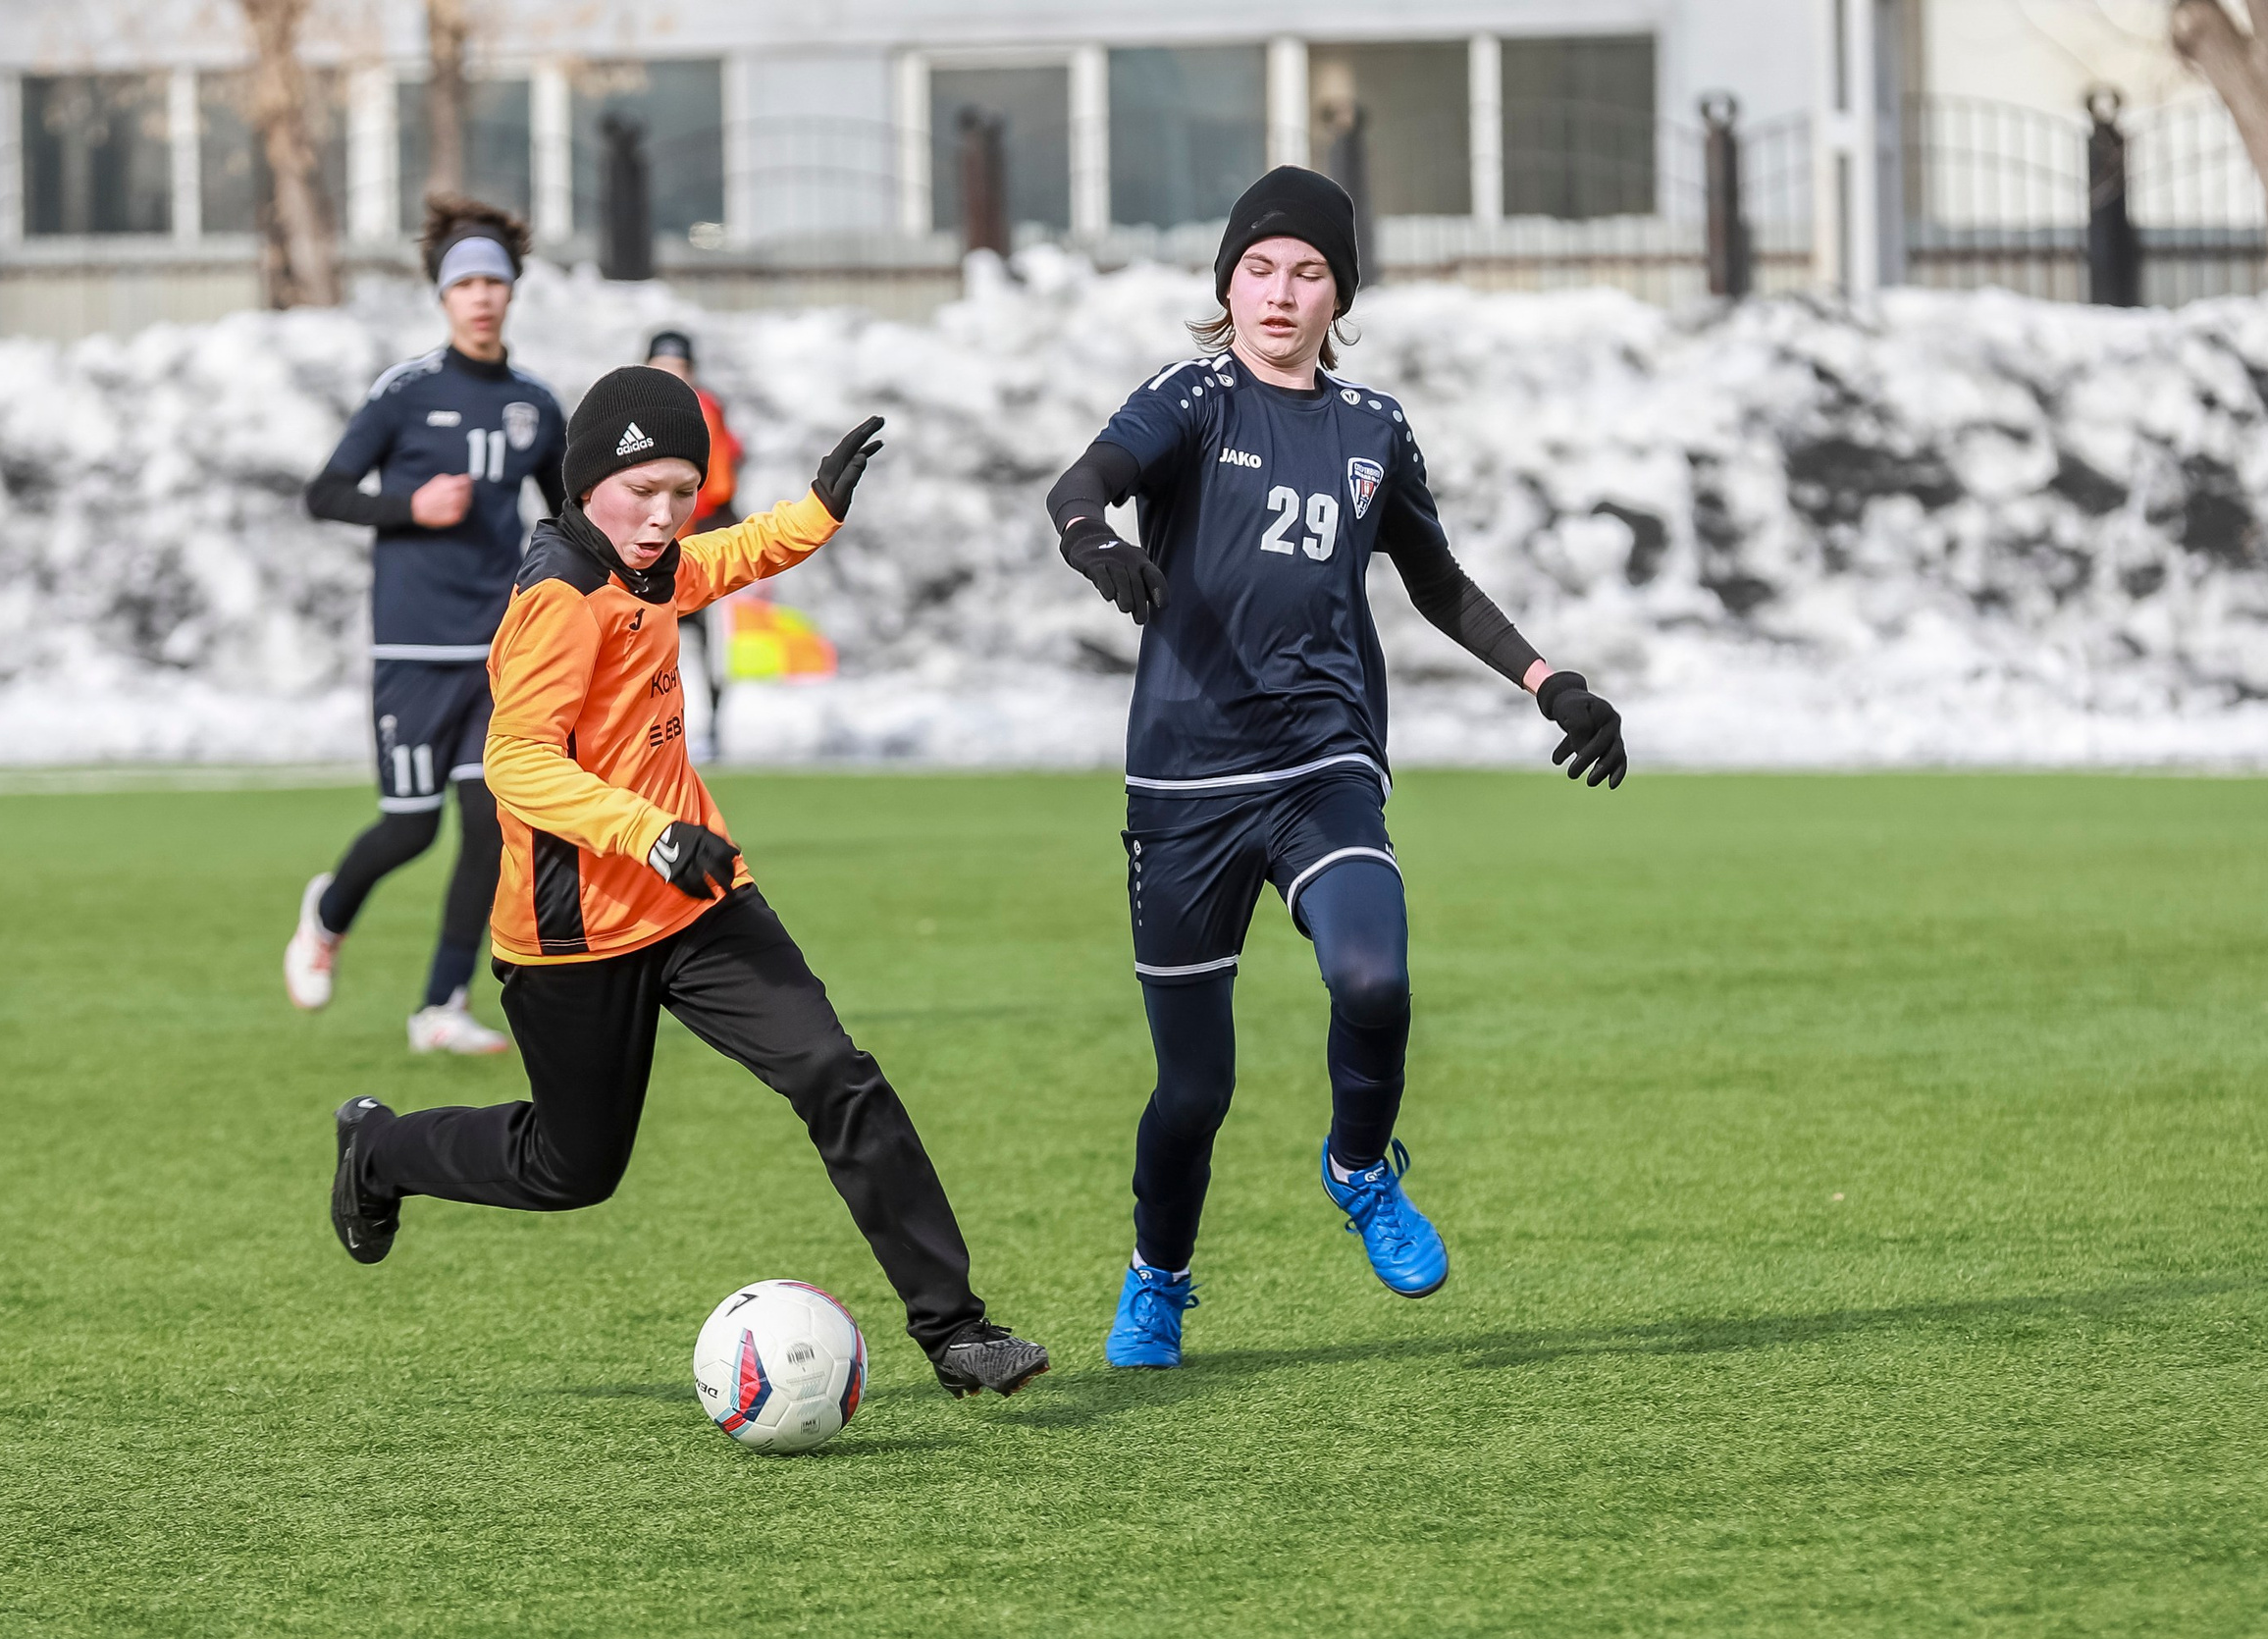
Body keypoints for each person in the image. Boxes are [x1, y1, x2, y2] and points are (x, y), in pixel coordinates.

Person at [328, 366, 1051, 1400]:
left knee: (835, 1074)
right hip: (573, 932)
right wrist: (648, 834)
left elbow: (717, 560)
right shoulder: (559, 598)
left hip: (698, 902)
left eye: (680, 492)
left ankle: (956, 1330)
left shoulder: (647, 562)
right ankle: (383, 1148)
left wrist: (814, 514)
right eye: (642, 493)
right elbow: (517, 764)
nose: (663, 518)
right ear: (584, 486)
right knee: (571, 1169)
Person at [1045, 167, 1630, 1369]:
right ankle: (1158, 1278)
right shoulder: (1194, 397)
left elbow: (1439, 583)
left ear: (1338, 296)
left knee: (1373, 980)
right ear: (1226, 284)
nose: (1279, 290)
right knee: (1193, 1092)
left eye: (1307, 271)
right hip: (1185, 786)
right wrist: (1098, 546)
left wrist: (1551, 682)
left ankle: (1360, 1169)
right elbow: (1079, 485)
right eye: (1258, 268)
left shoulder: (1371, 429)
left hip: (1322, 766)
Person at [285, 195, 568, 1054]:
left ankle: (441, 1005)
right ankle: (327, 915)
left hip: (497, 649)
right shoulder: (403, 394)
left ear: (513, 293)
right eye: (466, 283)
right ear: (443, 297)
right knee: (411, 825)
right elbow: (325, 492)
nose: (481, 296)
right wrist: (410, 503)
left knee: (491, 827)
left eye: (495, 281)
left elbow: (563, 521)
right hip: (412, 645)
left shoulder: (535, 404)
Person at [645, 328, 742, 759]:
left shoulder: (704, 409)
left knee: (698, 646)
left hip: (687, 552)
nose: (672, 376)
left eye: (679, 368)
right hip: (640, 553)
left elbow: (718, 487)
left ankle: (703, 730)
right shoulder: (629, 409)